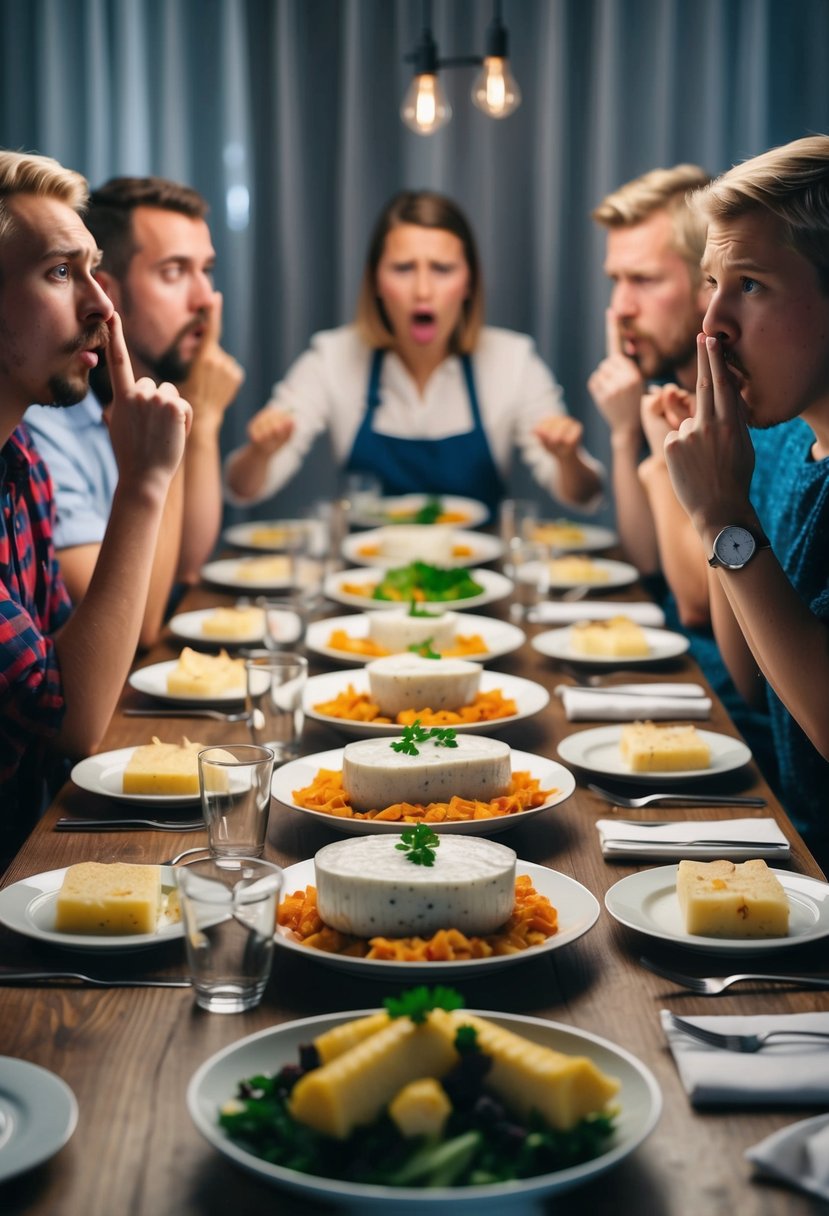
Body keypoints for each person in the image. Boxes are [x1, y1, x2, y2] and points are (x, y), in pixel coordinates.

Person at [0, 150, 191, 863]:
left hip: (35, 846)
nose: (101, 306)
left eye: (92, 269)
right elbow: (76, 719)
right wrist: (143, 484)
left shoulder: (21, 466)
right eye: (59, 272)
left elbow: (73, 666)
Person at [224, 190, 603, 519]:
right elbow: (243, 489)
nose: (423, 290)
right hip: (363, 581)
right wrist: (261, 451)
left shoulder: (514, 360)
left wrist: (567, 457)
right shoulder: (331, 357)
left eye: (442, 269)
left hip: (479, 582)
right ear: (376, 281)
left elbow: (584, 496)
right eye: (403, 269)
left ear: (469, 281)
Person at [663, 134, 829, 867]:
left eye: (751, 285)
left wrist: (722, 516)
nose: (711, 325)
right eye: (711, 283)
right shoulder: (790, 440)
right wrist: (716, 505)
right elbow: (748, 677)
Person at [26, 176, 242, 648]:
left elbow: (186, 566)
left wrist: (200, 421)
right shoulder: (41, 425)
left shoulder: (147, 397)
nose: (205, 298)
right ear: (109, 293)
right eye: (174, 272)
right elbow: (144, 622)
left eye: (206, 270)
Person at [588, 164, 712, 624]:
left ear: (709, 280)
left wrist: (660, 456)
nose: (621, 308)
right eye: (615, 280)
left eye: (644, 280)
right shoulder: (670, 392)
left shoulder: (754, 405)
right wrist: (624, 435)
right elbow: (647, 564)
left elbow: (695, 604)